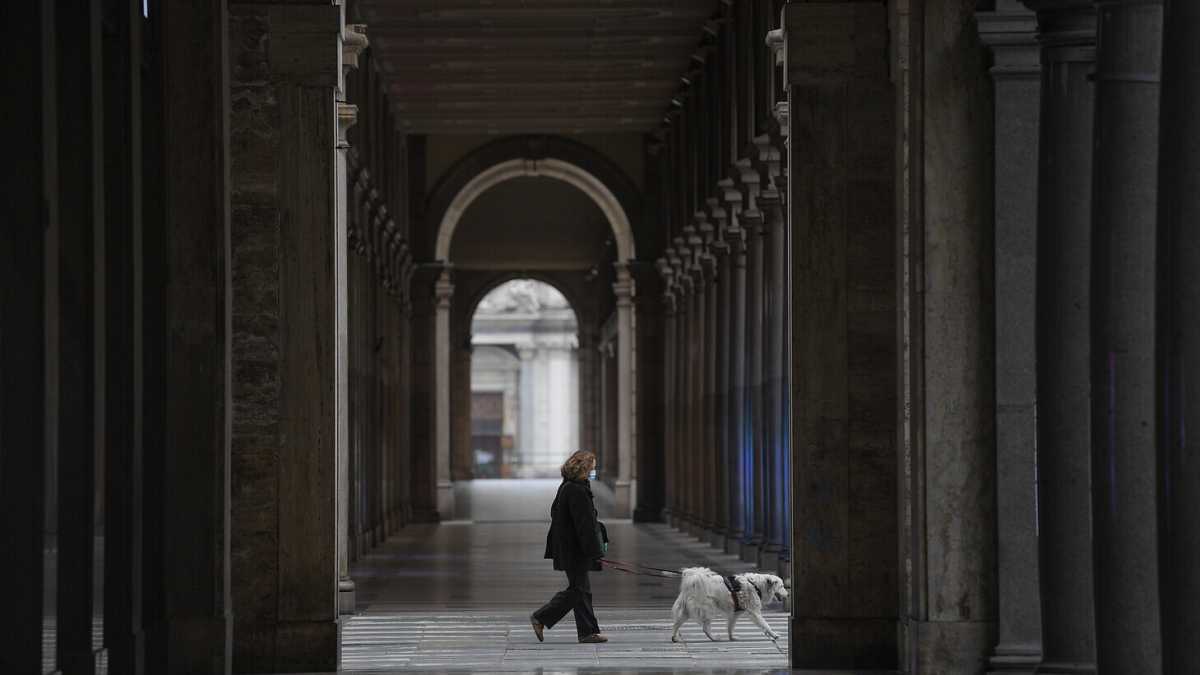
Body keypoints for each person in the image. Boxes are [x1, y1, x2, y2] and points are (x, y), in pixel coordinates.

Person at [530, 450, 609, 644]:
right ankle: (541, 617)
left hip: (570, 548)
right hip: (574, 550)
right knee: (577, 590)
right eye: (592, 467)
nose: (594, 470)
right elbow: (585, 526)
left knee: (582, 589)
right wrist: (594, 552)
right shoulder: (576, 490)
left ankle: (588, 632)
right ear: (584, 468)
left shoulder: (569, 486)